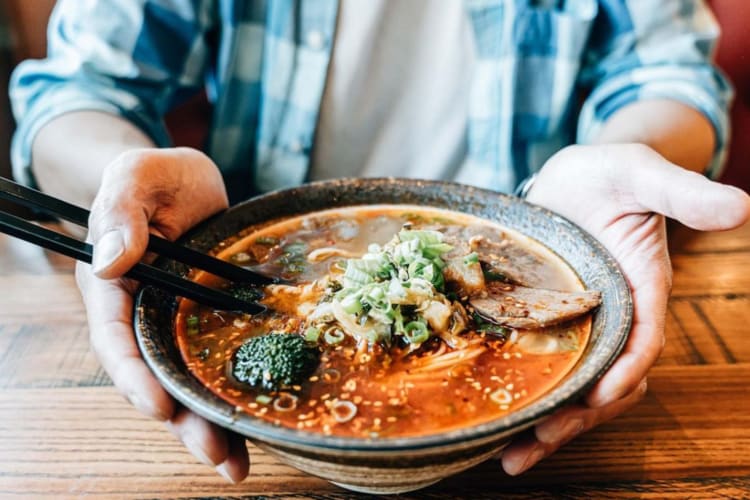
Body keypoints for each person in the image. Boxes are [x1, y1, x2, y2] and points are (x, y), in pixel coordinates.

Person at [10, 0, 750, 485]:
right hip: (257, 263)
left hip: (532, 230)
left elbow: (671, 75)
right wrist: (120, 183)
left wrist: (624, 153)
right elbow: (77, 90)